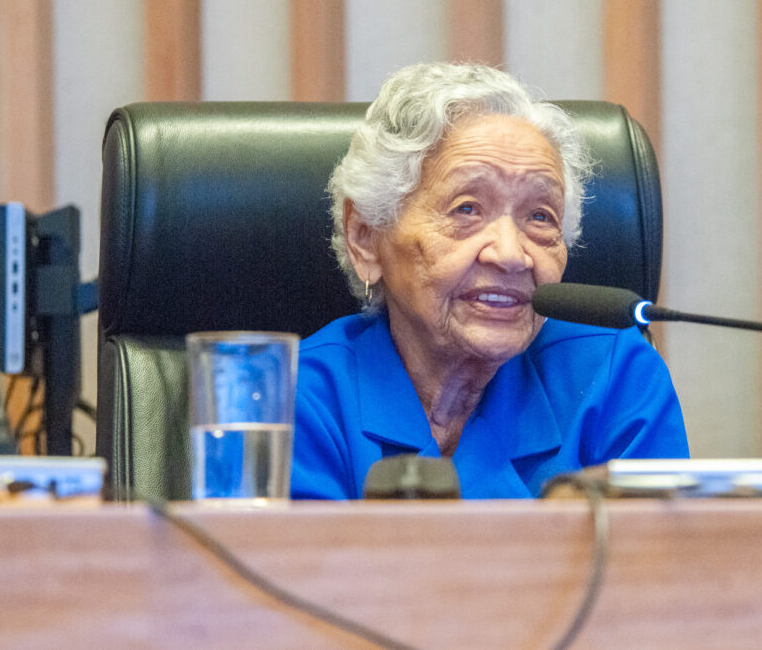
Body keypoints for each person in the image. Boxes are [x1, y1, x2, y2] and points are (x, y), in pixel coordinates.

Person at [291, 62, 688, 499]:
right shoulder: (299, 400)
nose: (511, 255)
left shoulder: (617, 379)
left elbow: (662, 564)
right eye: (466, 209)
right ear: (366, 238)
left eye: (540, 217)